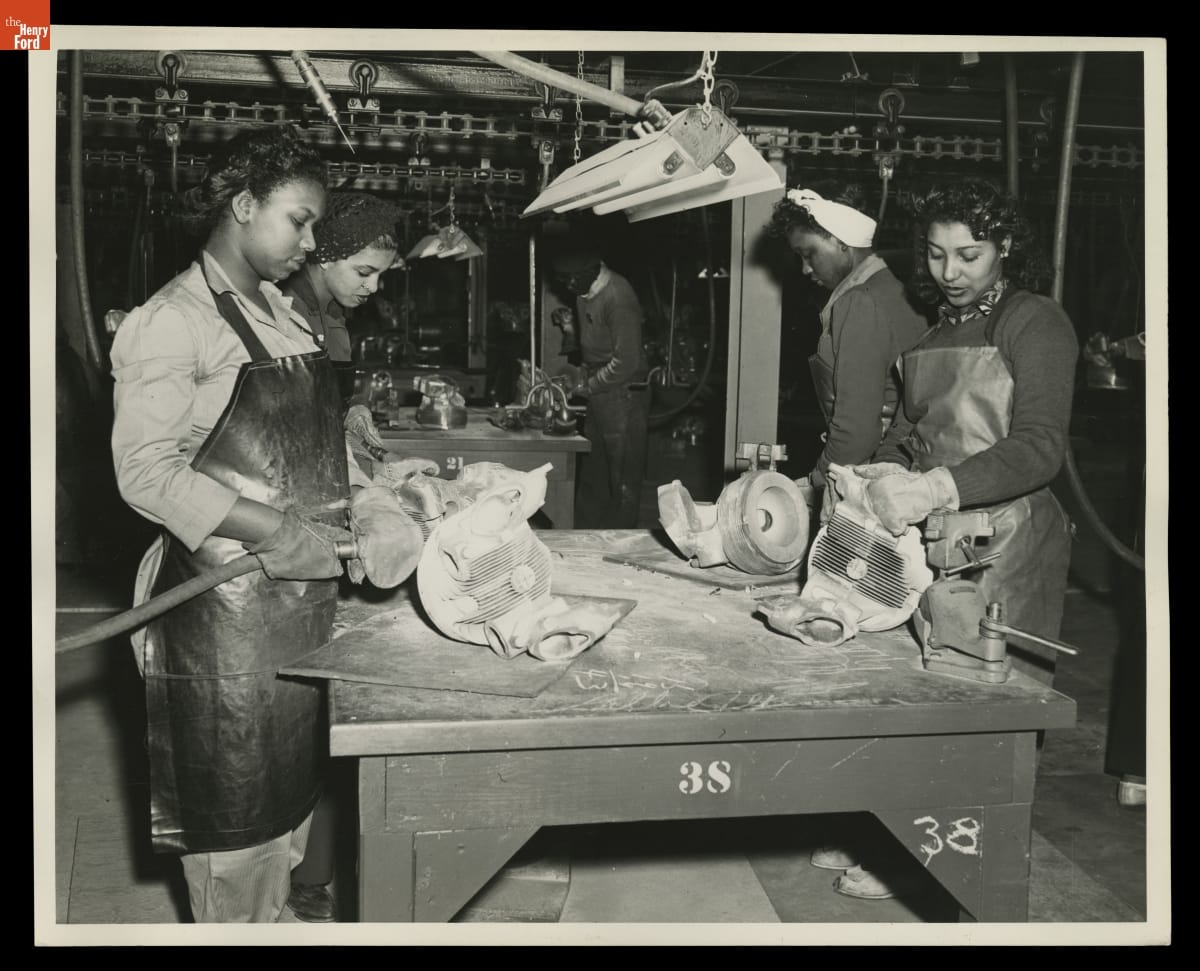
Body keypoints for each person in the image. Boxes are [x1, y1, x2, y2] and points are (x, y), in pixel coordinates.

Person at [110, 126, 416, 923]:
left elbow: (314, 438)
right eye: (299, 221)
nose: (310, 243)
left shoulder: (280, 312)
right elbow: (145, 472)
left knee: (285, 819)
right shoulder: (173, 320)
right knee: (237, 839)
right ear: (244, 206)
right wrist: (277, 531)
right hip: (219, 621)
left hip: (296, 613)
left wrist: (369, 502)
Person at [767, 183, 929, 517]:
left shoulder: (860, 303)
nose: (805, 269)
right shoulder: (888, 289)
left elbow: (856, 433)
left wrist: (814, 485)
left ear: (840, 241)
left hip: (869, 481)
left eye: (808, 254)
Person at [279, 190, 402, 475]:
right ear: (326, 257)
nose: (374, 287)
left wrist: (357, 415)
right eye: (364, 272)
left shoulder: (334, 313)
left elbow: (329, 412)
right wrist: (364, 479)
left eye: (380, 275)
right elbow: (292, 434)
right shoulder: (284, 312)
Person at [551, 240, 651, 529]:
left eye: (574, 280)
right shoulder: (583, 290)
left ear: (594, 270)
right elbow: (593, 342)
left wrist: (588, 386)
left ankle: (617, 543)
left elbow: (626, 362)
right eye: (564, 281)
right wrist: (571, 331)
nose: (570, 287)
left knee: (621, 478)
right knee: (594, 471)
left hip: (624, 393)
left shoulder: (618, 297)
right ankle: (584, 537)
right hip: (601, 388)